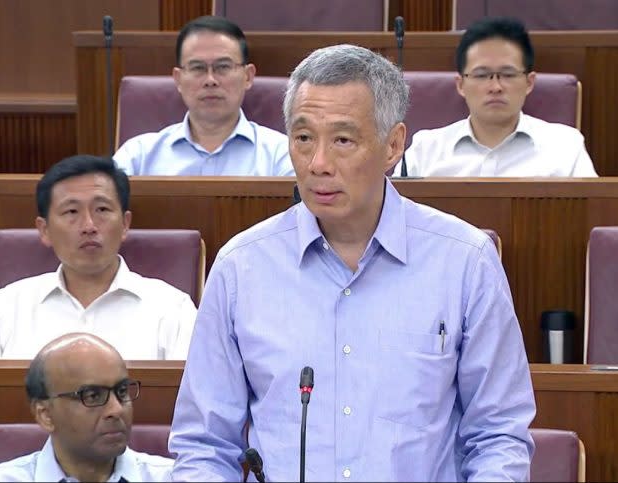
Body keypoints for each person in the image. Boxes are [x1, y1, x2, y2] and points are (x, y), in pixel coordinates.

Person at [169, 44, 535, 481]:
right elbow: (205, 447)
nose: (318, 163)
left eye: (343, 140)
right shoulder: (241, 268)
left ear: (393, 145)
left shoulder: (464, 261)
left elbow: (498, 436)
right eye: (304, 139)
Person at [0, 155, 196, 360]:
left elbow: (192, 398)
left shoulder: (172, 308)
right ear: (44, 230)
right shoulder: (7, 306)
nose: (89, 226)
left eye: (102, 210)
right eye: (71, 212)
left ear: (125, 224)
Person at [396, 16, 598, 177]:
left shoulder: (565, 147)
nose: (495, 86)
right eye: (482, 75)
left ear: (529, 82)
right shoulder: (425, 150)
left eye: (508, 75)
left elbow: (589, 216)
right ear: (461, 84)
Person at [0, 333, 173, 482]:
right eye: (92, 396)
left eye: (121, 392)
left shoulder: (174, 478)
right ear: (45, 415)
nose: (116, 410)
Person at [113, 15, 294, 176]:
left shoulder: (281, 155)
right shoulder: (139, 155)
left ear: (248, 76)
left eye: (223, 67)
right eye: (197, 68)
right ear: (178, 79)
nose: (210, 80)